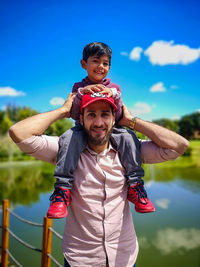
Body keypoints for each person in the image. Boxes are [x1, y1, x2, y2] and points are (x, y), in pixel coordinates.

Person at [9, 93, 189, 267]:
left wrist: (131, 121)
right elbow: (18, 133)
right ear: (82, 118)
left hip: (124, 258)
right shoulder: (64, 149)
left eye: (105, 114)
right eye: (91, 115)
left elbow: (179, 146)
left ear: (114, 118)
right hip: (80, 260)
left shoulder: (131, 150)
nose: (98, 122)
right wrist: (63, 111)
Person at [47, 41, 154, 219]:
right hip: (84, 129)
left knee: (128, 136)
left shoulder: (115, 88)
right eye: (96, 61)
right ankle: (62, 190)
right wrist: (82, 94)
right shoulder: (77, 88)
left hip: (113, 129)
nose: (100, 67)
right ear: (84, 64)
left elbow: (118, 116)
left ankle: (135, 186)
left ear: (109, 67)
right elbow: (74, 114)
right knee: (67, 138)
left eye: (105, 63)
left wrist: (115, 96)